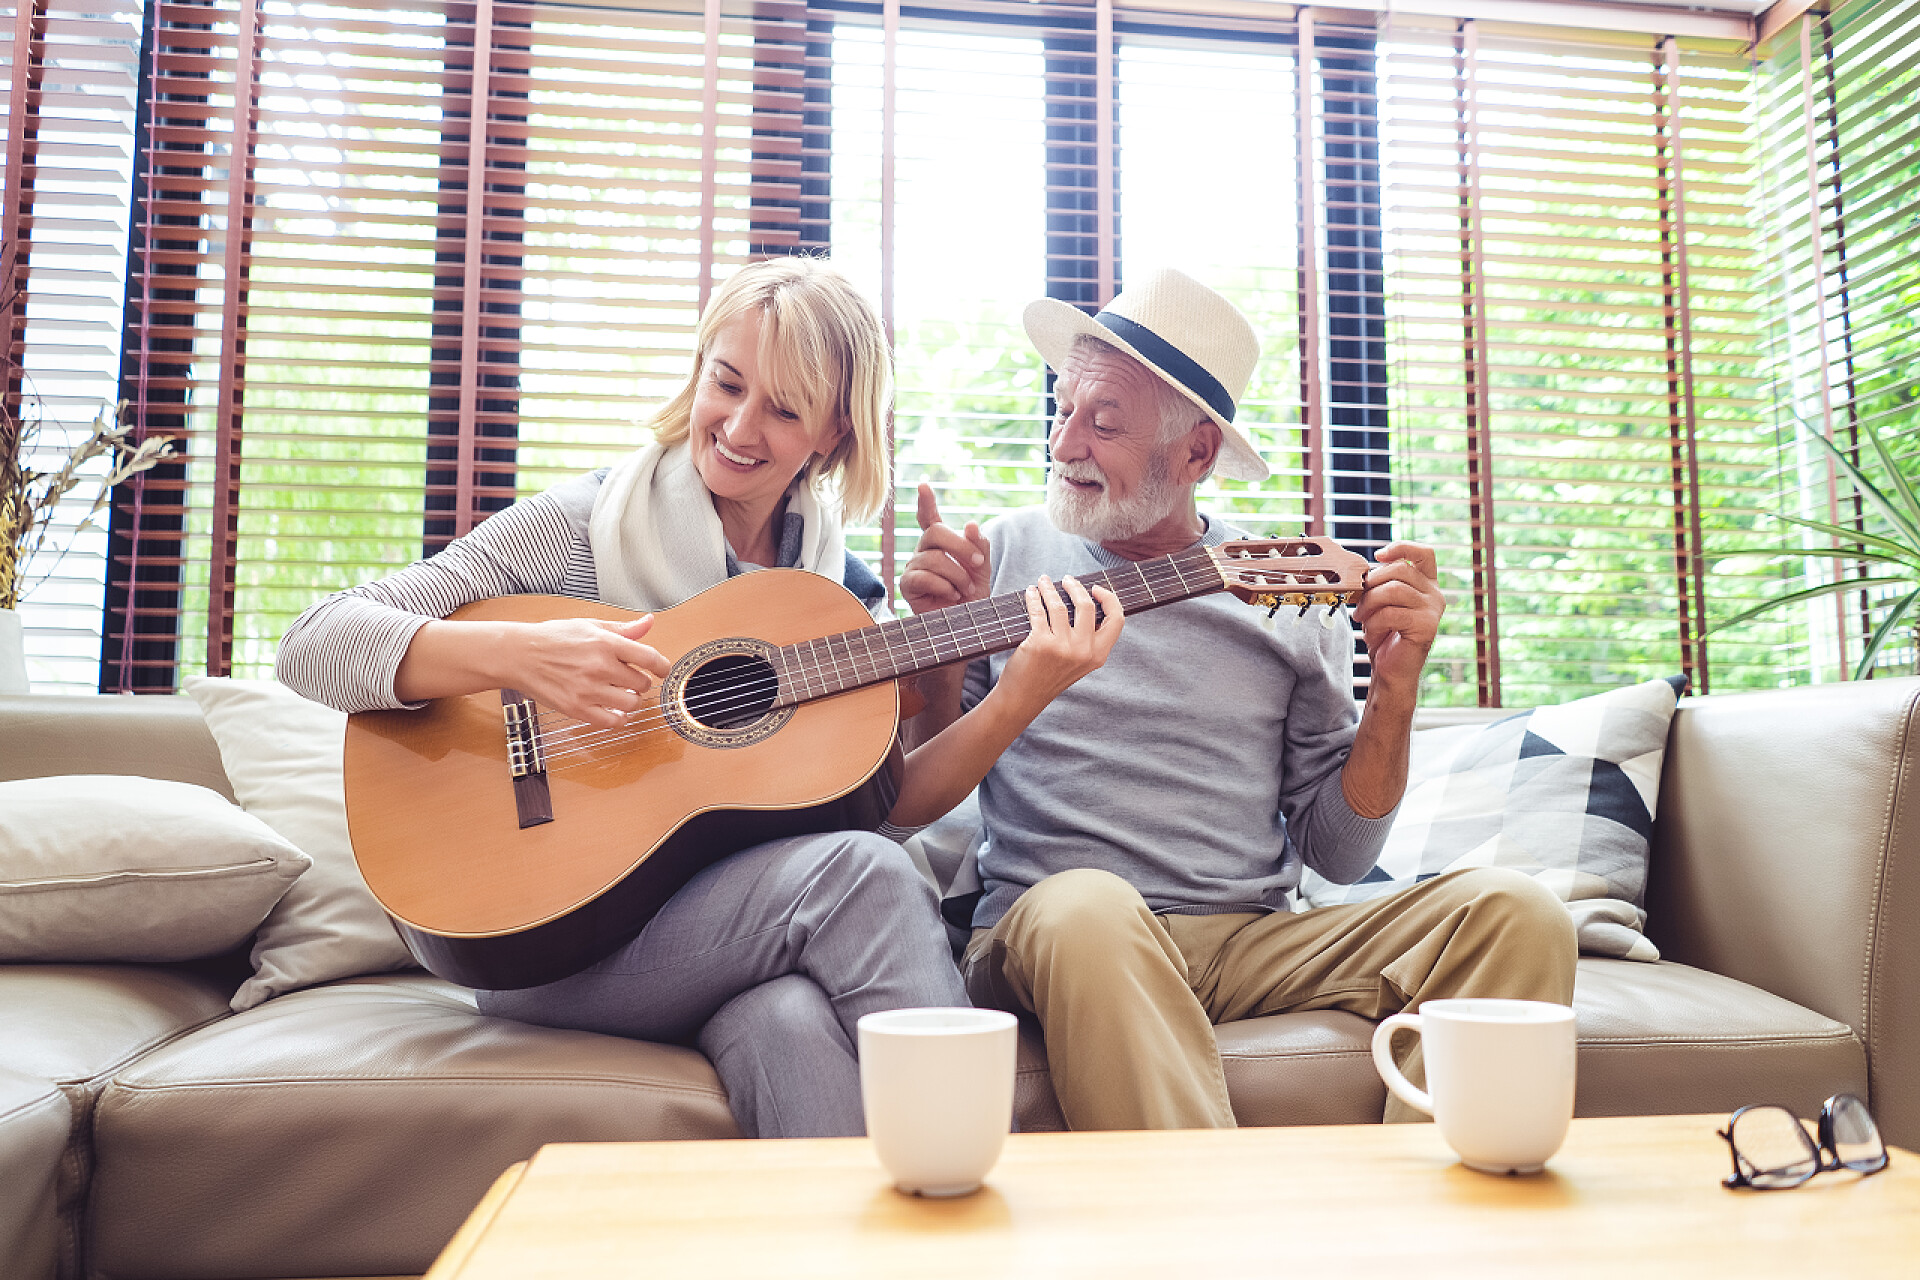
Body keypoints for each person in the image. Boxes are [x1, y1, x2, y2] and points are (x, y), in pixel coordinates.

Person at [277, 257, 1123, 1138]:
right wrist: (523, 655)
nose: (740, 426)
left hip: (721, 939)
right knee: (859, 877)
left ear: (834, 432)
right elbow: (312, 643)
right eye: (727, 383)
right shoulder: (579, 529)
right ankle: (980, 1181)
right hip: (546, 939)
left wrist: (1006, 688)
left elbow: (889, 809)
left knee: (785, 1018)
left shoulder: (833, 595)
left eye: (785, 409)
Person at [900, 267, 1577, 1130]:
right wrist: (936, 659)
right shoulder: (996, 556)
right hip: (1056, 928)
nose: (1064, 443)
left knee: (1519, 914)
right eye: (1063, 408)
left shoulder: (1287, 591)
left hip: (1248, 940)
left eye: (1104, 422)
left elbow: (1338, 853)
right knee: (1088, 906)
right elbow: (918, 797)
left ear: (1195, 454)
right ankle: (1212, 1210)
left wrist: (1395, 690)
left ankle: (1428, 1200)